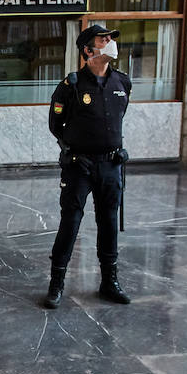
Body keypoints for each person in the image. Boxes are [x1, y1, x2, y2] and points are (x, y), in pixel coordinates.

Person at [43, 23, 133, 309]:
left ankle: (109, 282)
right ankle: (56, 283)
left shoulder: (122, 82)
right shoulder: (71, 86)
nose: (109, 42)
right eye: (102, 39)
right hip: (78, 165)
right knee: (70, 222)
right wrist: (72, 150)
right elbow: (56, 125)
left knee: (108, 223)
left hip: (110, 165)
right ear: (87, 49)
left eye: (110, 38)